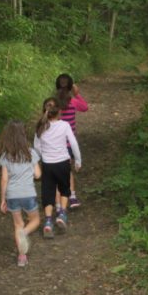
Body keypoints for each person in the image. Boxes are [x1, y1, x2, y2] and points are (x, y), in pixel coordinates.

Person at [0, 121, 42, 267]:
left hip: (12, 195)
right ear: (23, 135)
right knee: (34, 220)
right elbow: (37, 174)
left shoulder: (5, 156)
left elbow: (4, 179)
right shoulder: (31, 153)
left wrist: (3, 199)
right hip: (28, 193)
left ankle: (22, 257)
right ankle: (25, 233)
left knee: (18, 225)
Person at [33, 98, 81, 238]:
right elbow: (73, 143)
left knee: (48, 191)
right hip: (63, 163)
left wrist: (44, 155)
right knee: (64, 189)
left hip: (48, 164)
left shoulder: (40, 126)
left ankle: (48, 222)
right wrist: (78, 160)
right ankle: (61, 214)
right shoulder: (65, 125)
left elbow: (36, 147)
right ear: (59, 112)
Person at [53, 74, 89, 209]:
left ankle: (58, 203)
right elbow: (85, 107)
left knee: (56, 171)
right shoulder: (73, 101)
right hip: (68, 143)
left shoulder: (53, 103)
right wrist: (77, 94)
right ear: (71, 86)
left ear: (57, 85)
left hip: (55, 143)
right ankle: (72, 197)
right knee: (67, 171)